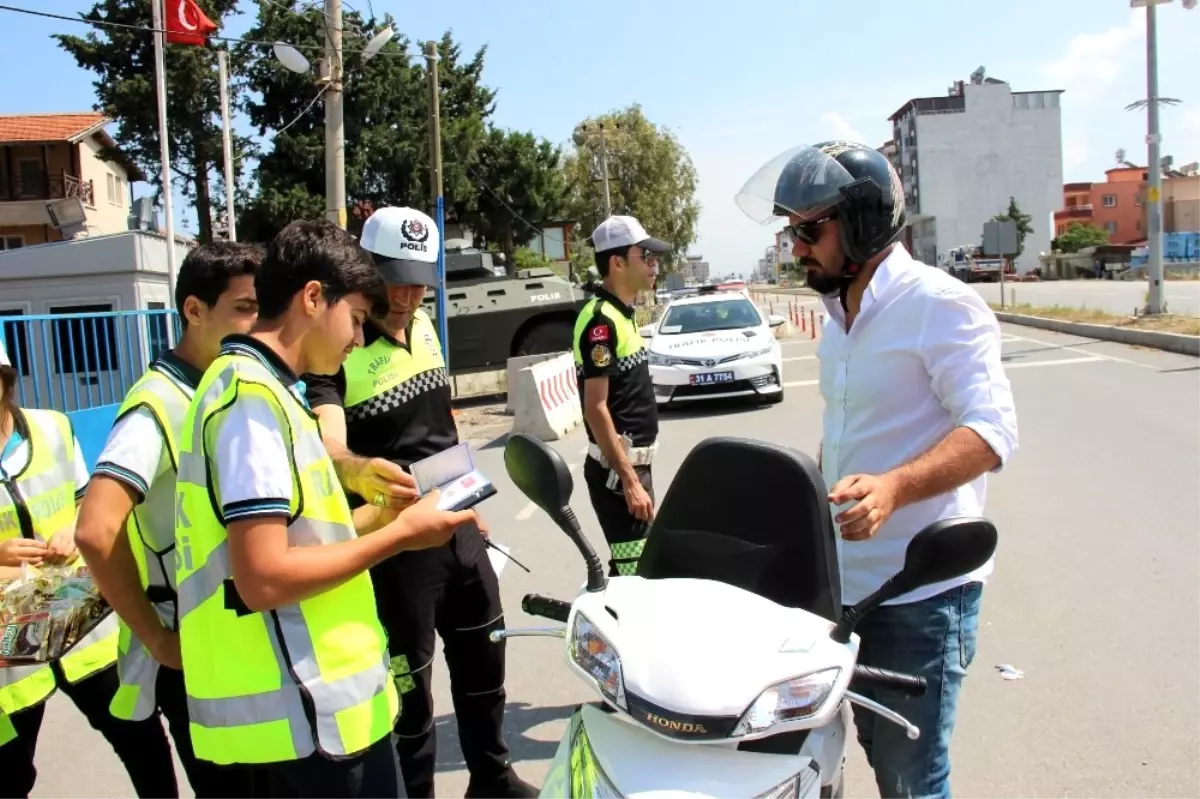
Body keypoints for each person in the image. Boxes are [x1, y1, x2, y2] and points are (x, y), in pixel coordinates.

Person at [735, 141, 1019, 799]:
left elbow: (992, 432)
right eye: (791, 230)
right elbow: (851, 431)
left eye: (810, 229)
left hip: (918, 598)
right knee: (818, 756)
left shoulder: (938, 304)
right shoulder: (837, 315)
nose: (797, 245)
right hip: (840, 589)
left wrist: (895, 486)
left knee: (910, 779)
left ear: (862, 222)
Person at [172, 218, 483, 798]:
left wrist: (390, 517)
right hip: (301, 727)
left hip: (317, 721)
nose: (359, 341)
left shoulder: (267, 393)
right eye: (358, 319)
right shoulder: (250, 403)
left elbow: (304, 540)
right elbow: (263, 576)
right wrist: (396, 539)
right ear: (314, 298)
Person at [304, 206, 537, 799]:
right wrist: (357, 468)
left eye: (419, 280)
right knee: (412, 691)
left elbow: (445, 418)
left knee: (485, 659)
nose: (407, 295)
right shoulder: (339, 347)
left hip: (458, 521)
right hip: (400, 541)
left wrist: (473, 493)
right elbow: (327, 443)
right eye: (394, 279)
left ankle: (492, 779)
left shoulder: (428, 324)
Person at [75, 242, 265, 797]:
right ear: (194, 310)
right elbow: (95, 528)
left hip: (237, 634)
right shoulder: (156, 404)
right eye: (243, 308)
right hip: (194, 648)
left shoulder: (221, 385)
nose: (255, 324)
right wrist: (157, 640)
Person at [0, 348, 177, 798]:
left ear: (5, 382)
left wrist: (69, 528)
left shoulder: (52, 427)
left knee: (142, 745)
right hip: (9, 648)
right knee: (11, 773)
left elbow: (85, 502)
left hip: (80, 620)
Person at [572, 215, 668, 576]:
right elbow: (595, 408)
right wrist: (629, 480)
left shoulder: (621, 315)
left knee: (636, 571)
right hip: (619, 474)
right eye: (645, 256)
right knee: (636, 576)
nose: (653, 264)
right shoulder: (601, 322)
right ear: (617, 263)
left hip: (633, 467)